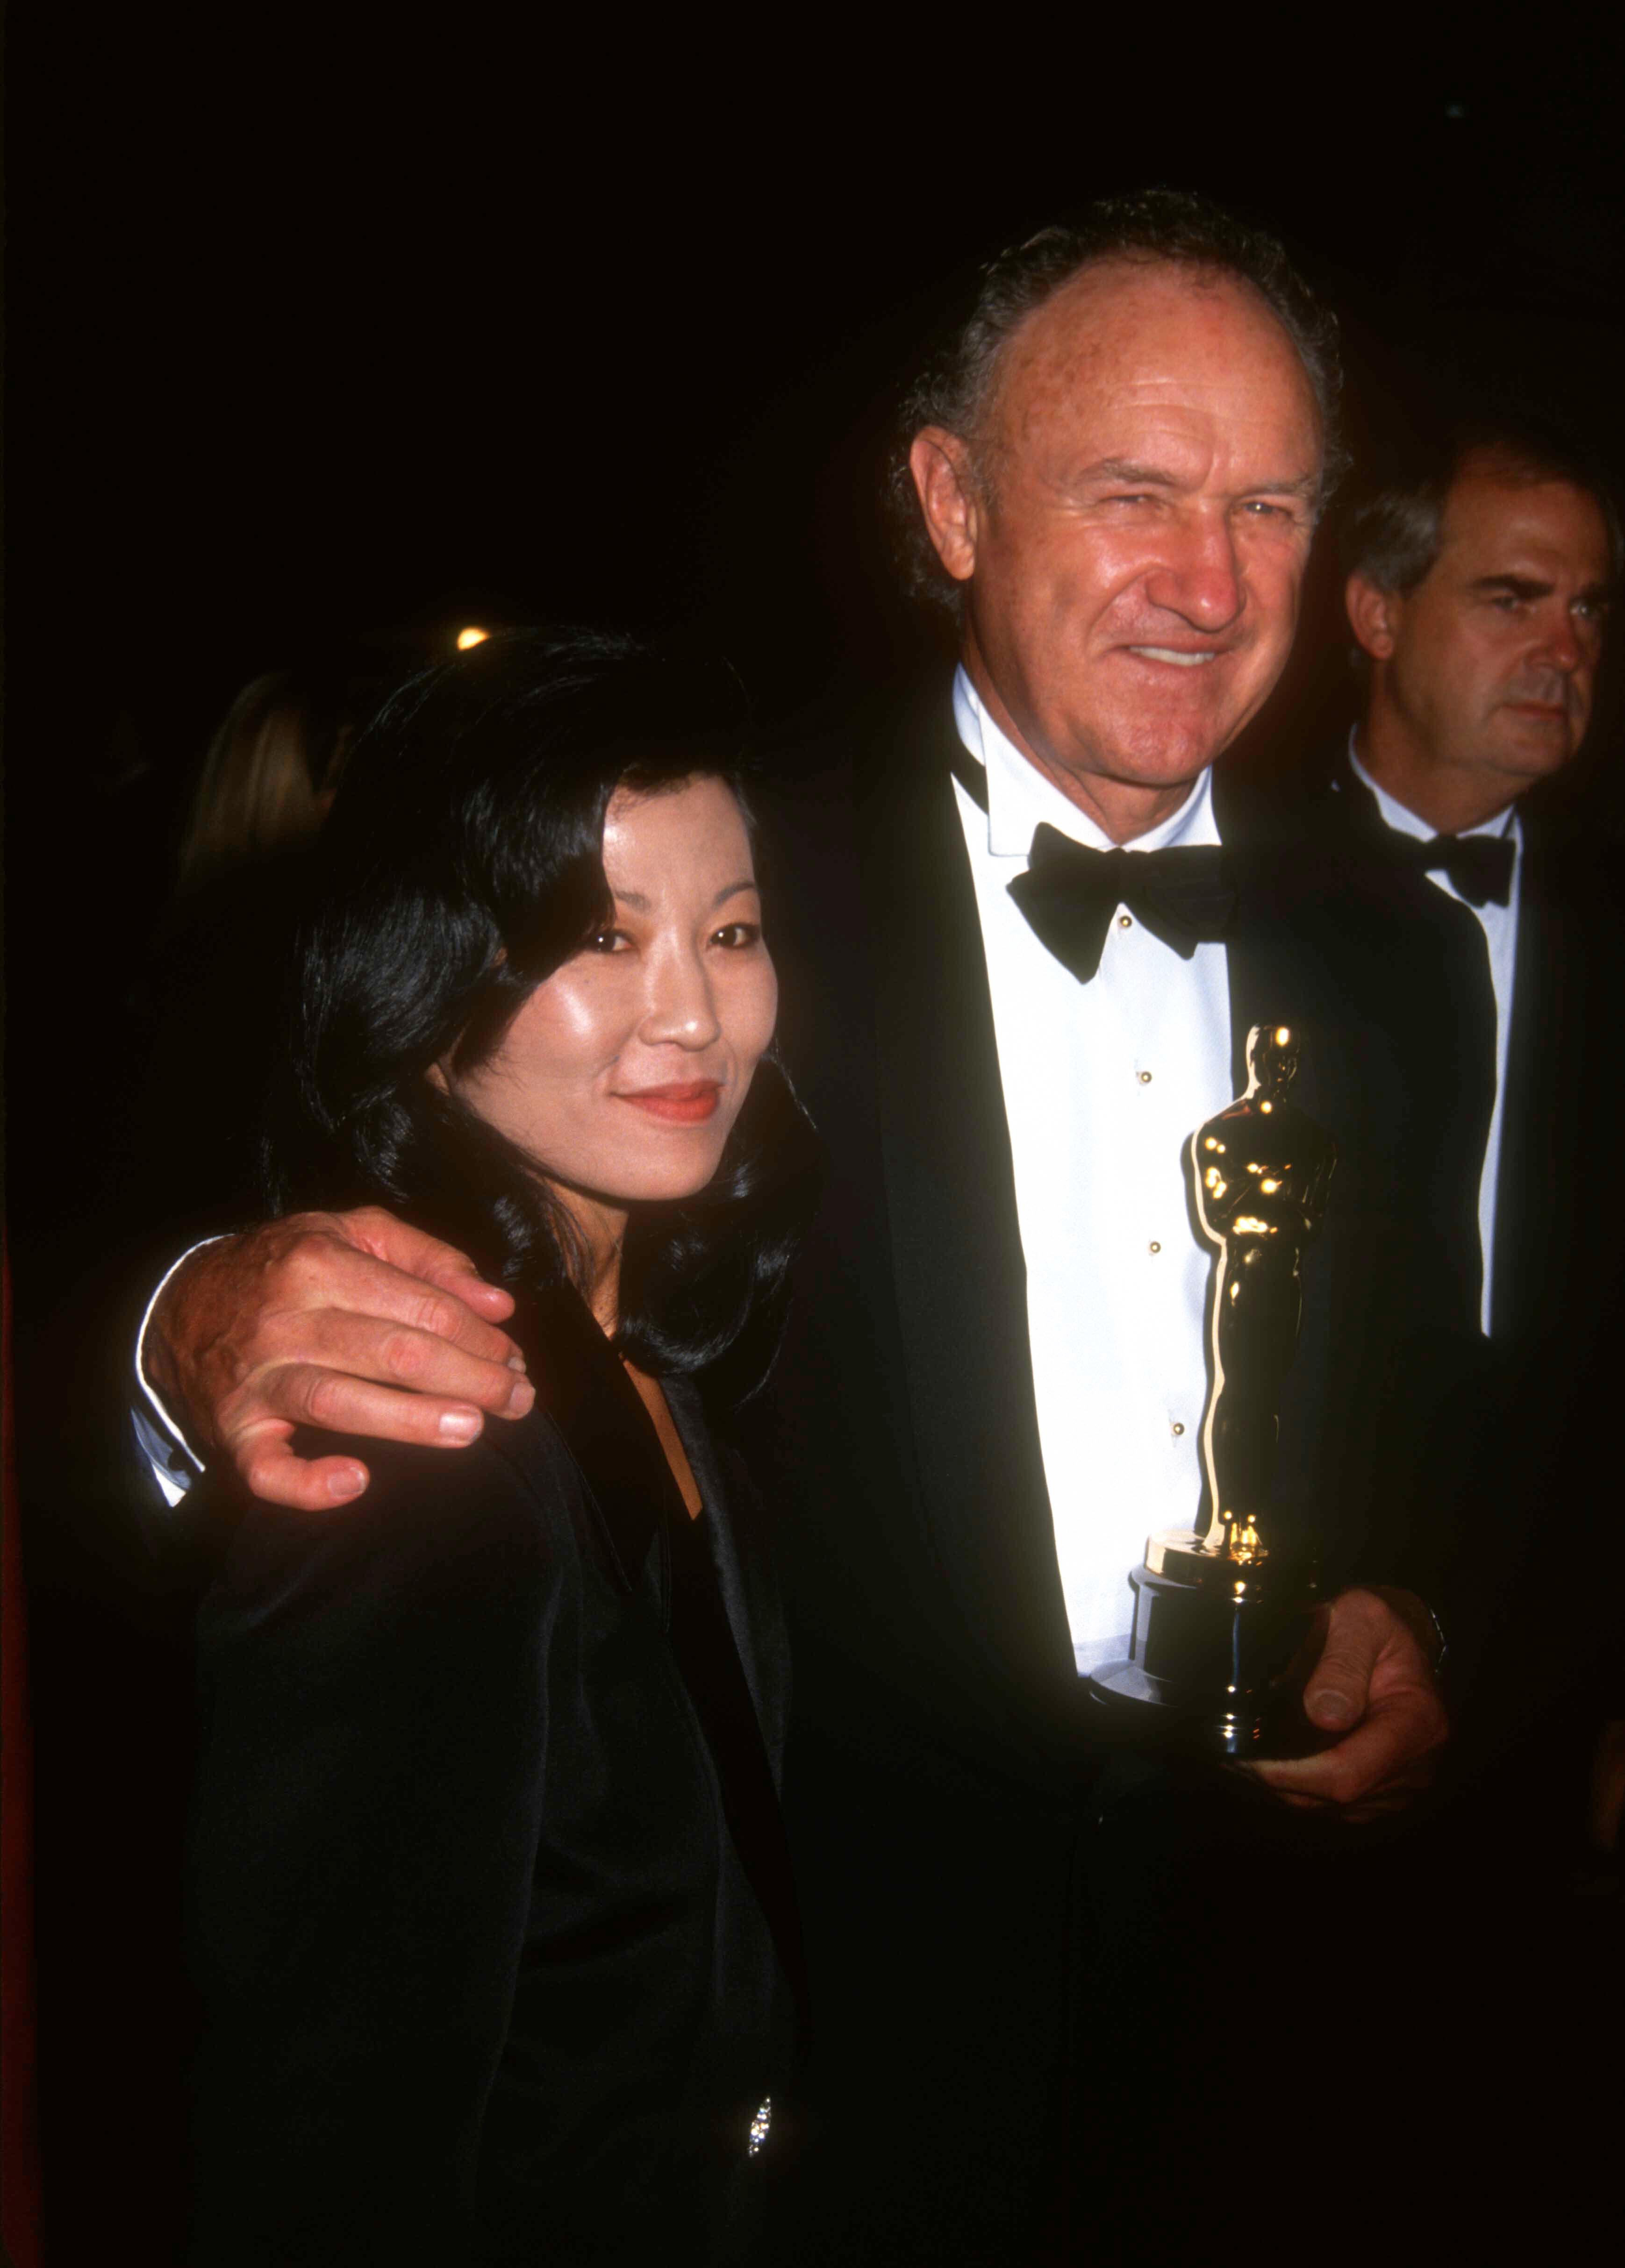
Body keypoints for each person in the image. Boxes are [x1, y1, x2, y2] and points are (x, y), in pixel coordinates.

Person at [141, 196, 1492, 2259]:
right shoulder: (724, 886)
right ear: (951, 500)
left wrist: (1422, 1608)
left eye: (1274, 508)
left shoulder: (1399, 954)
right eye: (1133, 492)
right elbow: (312, 1116)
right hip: (816, 2052)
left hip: (1275, 2008)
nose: (1210, 584)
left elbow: (1455, 1383)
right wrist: (184, 1315)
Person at [184, 628, 817, 2265]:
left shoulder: (668, 1358)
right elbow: (324, 2139)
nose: (692, 1012)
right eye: (600, 937)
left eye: (731, 932)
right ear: (425, 982)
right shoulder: (417, 1434)